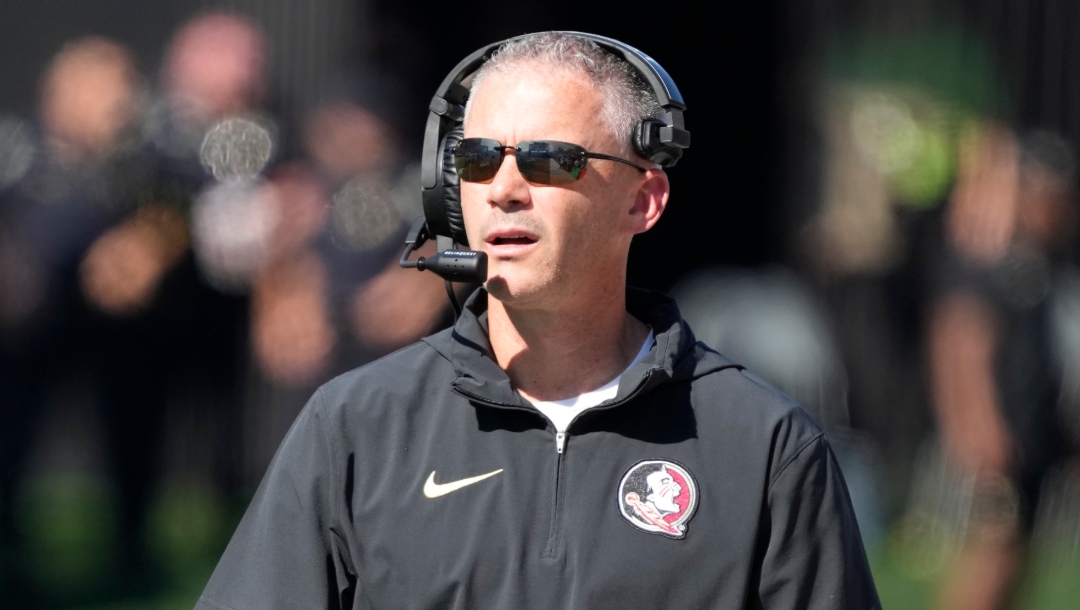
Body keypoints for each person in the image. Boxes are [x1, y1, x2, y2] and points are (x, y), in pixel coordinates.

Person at [197, 31, 879, 609]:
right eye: (478, 157)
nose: (504, 188)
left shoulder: (767, 447)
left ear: (643, 202)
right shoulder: (354, 426)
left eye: (551, 160)